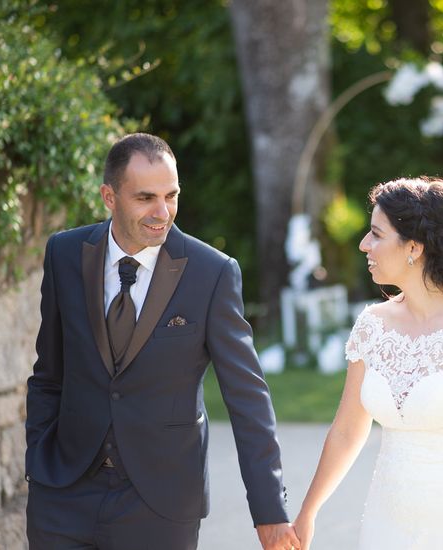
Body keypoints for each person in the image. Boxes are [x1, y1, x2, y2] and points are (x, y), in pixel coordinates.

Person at [24, 133, 300, 550]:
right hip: (63, 493)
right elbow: (49, 373)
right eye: (145, 198)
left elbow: (247, 398)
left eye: (171, 196)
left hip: (161, 503)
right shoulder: (64, 253)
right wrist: (39, 460)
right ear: (109, 196)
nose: (162, 212)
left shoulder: (212, 273)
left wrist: (269, 510)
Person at [293, 177, 443, 549]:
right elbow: (348, 430)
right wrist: (308, 511)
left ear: (414, 247)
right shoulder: (372, 325)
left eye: (377, 235)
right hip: (386, 522)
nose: (364, 244)